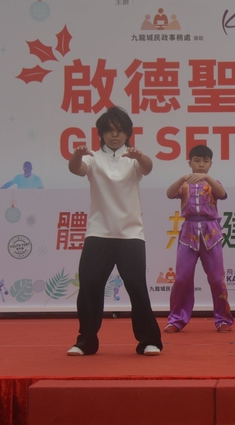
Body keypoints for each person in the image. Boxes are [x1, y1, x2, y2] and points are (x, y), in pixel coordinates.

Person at [66, 106, 162, 356]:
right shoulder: (93, 158)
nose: (115, 135)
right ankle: (86, 341)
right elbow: (76, 169)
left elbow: (148, 168)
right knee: (89, 285)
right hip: (98, 233)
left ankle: (149, 340)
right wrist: (76, 155)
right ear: (101, 134)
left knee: (137, 287)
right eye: (109, 131)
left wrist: (140, 156)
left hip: (130, 235)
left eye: (119, 131)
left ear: (128, 133)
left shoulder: (133, 159)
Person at [164, 145, 234, 333]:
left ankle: (223, 319)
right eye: (197, 161)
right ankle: (176, 320)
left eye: (205, 161)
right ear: (190, 163)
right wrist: (182, 178)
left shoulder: (213, 183)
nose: (201, 165)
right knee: (182, 278)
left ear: (211, 164)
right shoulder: (184, 184)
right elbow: (169, 193)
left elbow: (222, 194)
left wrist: (207, 178)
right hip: (188, 233)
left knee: (217, 279)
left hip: (211, 233)